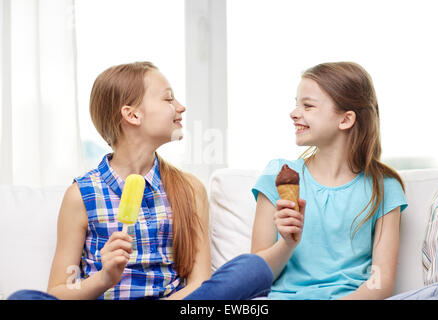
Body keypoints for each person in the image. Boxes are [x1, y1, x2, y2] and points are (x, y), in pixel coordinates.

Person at [8, 61, 272, 300]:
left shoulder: (189, 189)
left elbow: (199, 283)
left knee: (254, 269)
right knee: (22, 298)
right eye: (168, 99)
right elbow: (59, 291)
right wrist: (104, 278)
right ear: (132, 115)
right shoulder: (81, 194)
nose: (181, 107)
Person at [251, 62, 409, 300]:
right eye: (296, 104)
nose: (294, 113)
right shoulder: (278, 174)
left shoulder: (384, 187)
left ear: (345, 120)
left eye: (308, 105)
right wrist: (286, 243)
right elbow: (255, 279)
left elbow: (381, 282)